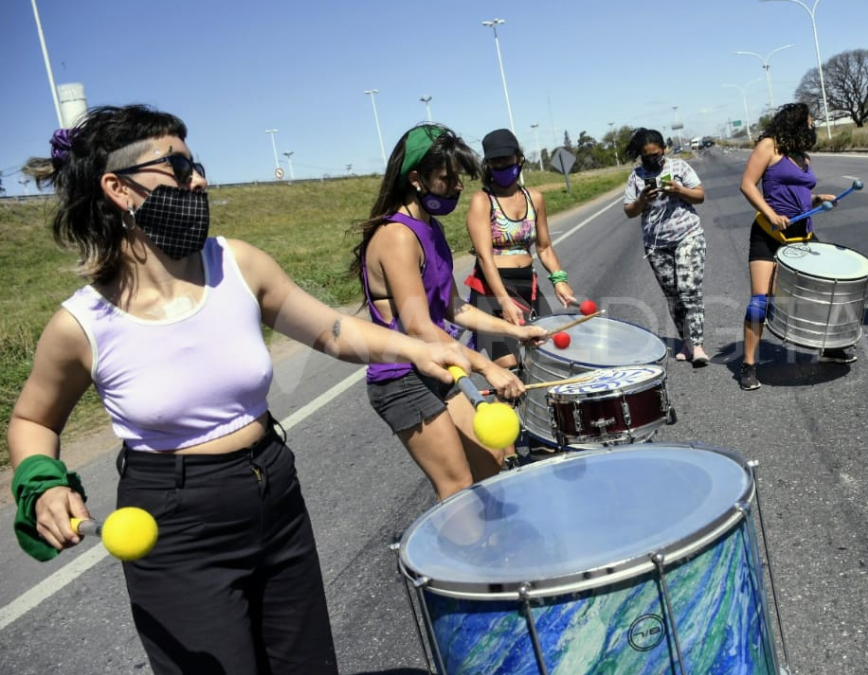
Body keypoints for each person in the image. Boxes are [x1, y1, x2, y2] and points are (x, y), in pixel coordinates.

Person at [8, 105, 472, 674]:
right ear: (118, 188)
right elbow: (33, 421)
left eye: (196, 165)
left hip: (274, 490)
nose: (198, 180)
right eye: (178, 167)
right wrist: (43, 484)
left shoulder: (237, 264)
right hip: (173, 523)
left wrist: (416, 349)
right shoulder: (82, 324)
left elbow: (333, 329)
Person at [351, 124, 546, 501]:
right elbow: (419, 326)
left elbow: (453, 307)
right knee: (457, 484)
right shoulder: (397, 236)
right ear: (416, 179)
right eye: (447, 178)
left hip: (440, 364)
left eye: (459, 178)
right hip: (402, 376)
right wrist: (488, 366)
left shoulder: (431, 228)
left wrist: (516, 331)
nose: (458, 186)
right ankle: (460, 538)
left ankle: (490, 536)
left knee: (496, 458)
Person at [737, 102, 845, 391]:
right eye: (810, 122)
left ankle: (829, 347)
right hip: (769, 234)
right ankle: (748, 365)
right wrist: (771, 214)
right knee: (760, 303)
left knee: (824, 291)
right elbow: (747, 184)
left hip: (802, 233)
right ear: (796, 123)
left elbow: (801, 194)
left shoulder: (802, 155)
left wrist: (818, 199)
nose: (813, 126)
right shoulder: (769, 146)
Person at [464, 128, 576, 369]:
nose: (503, 165)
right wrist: (504, 301)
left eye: (507, 158)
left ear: (519, 158)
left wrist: (559, 280)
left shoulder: (534, 198)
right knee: (509, 365)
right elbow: (484, 258)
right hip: (491, 291)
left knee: (550, 351)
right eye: (496, 161)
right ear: (488, 165)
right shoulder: (482, 201)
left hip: (527, 285)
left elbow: (544, 248)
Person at [622, 128, 709, 367]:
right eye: (646, 156)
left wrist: (680, 191)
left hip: (687, 235)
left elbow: (700, 195)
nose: (652, 159)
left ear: (664, 149)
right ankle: (687, 342)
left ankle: (698, 345)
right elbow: (629, 211)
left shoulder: (680, 167)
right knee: (673, 296)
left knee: (688, 289)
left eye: (656, 154)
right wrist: (642, 199)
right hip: (656, 245)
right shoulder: (637, 176)